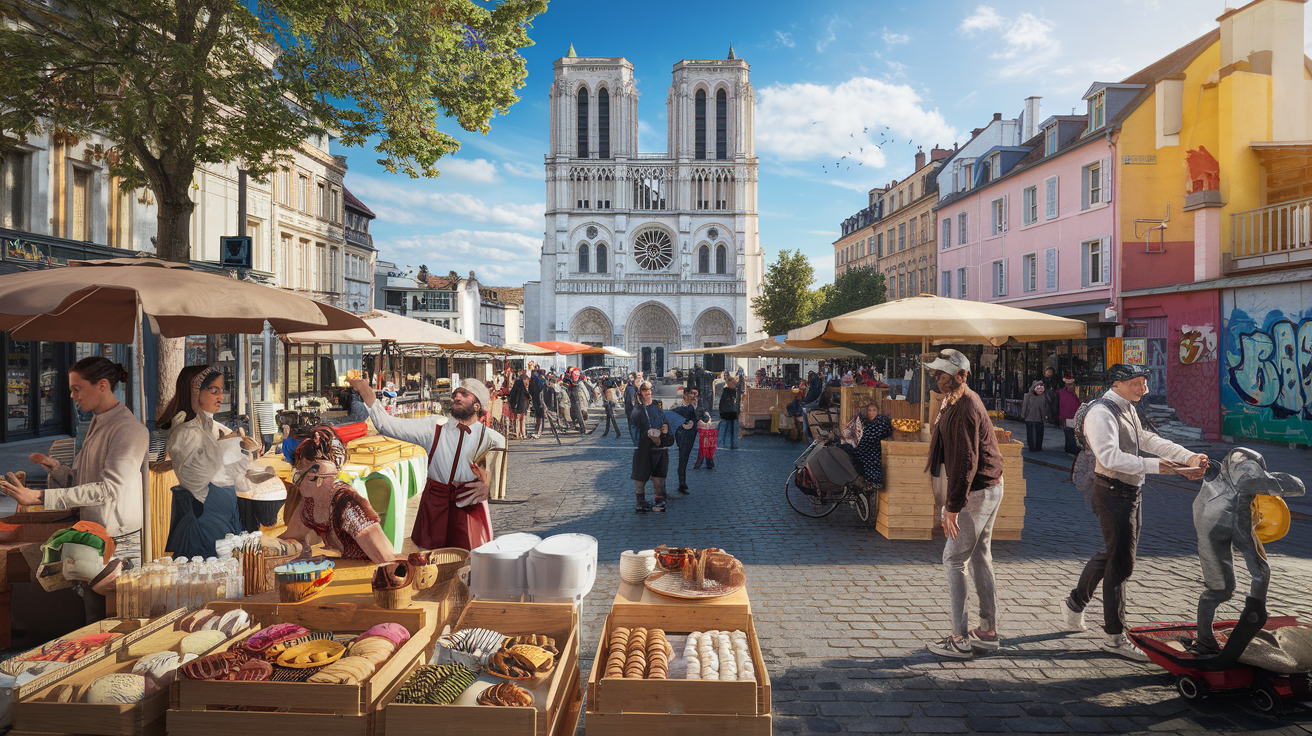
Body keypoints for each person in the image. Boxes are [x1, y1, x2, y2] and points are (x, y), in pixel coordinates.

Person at [1058, 363, 1207, 660]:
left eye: (1144, 382)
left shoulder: (1127, 407)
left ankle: (1074, 603)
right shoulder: (1102, 413)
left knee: (1114, 555)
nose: (1145, 389)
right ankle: (1114, 636)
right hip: (1111, 492)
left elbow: (1146, 440)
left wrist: (1187, 455)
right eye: (1138, 383)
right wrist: (1158, 466)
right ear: (1117, 383)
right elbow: (1110, 457)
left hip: (1128, 492)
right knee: (1122, 564)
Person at [0, 357, 148, 565]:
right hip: (91, 530)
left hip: (117, 539)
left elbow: (108, 490)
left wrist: (40, 496)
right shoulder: (98, 420)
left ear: (102, 386)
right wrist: (58, 469)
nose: (72, 396)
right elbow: (84, 480)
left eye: (77, 389)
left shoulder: (128, 429)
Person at [348, 376, 505, 550]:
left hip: (470, 509)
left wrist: (488, 488)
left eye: (464, 394)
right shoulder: (435, 426)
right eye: (456, 394)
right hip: (434, 506)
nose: (457, 397)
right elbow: (387, 424)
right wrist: (365, 391)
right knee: (430, 561)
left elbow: (497, 481)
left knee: (472, 561)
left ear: (477, 406)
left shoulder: (493, 439)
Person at [922, 349, 1005, 659]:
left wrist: (953, 506)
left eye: (941, 374)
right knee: (981, 556)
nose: (936, 378)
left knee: (954, 559)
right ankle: (987, 631)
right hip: (986, 487)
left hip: (977, 492)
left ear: (961, 375)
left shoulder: (966, 405)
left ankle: (960, 639)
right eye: (934, 373)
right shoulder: (954, 400)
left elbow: (966, 462)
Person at [158, 366, 246, 559]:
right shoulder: (185, 433)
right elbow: (196, 479)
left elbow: (238, 477)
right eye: (214, 391)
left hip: (227, 519)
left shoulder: (216, 428)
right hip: (203, 523)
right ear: (195, 392)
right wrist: (225, 448)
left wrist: (240, 448)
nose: (220, 398)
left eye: (221, 392)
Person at [279, 428, 396, 562]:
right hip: (343, 571)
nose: (297, 481)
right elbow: (293, 536)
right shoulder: (311, 501)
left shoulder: (347, 503)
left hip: (368, 575)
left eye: (299, 471)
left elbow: (386, 558)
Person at [629, 381, 671, 512]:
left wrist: (664, 429)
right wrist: (643, 437)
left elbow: (664, 421)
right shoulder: (637, 410)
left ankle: (660, 500)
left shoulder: (656, 406)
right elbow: (633, 429)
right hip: (644, 448)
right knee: (640, 476)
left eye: (649, 389)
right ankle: (640, 503)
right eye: (644, 390)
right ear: (640, 392)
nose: (648, 392)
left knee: (659, 476)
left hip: (659, 447)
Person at [840, 401, 893, 489]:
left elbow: (883, 434)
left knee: (871, 460)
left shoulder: (882, 422)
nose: (871, 413)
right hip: (864, 447)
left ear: (877, 411)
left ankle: (873, 483)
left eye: (874, 410)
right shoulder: (864, 422)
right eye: (869, 410)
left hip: (875, 448)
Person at [671, 388, 699, 494]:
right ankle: (681, 483)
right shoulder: (680, 406)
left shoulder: (695, 406)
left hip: (690, 434)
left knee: (684, 458)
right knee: (683, 458)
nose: (694, 396)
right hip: (683, 434)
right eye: (692, 394)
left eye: (696, 394)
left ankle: (682, 482)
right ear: (685, 395)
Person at [1020, 381, 1047, 452]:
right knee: (1031, 433)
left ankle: (1038, 447)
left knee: (1039, 433)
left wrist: (1046, 416)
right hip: (1030, 417)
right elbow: (1025, 406)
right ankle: (1032, 447)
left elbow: (1046, 406)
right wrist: (1023, 415)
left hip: (1040, 418)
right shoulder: (1028, 395)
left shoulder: (1044, 395)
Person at [1058, 375, 1081, 455]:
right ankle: (1070, 448)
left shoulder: (1071, 393)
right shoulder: (1064, 393)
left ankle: (1069, 447)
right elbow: (1063, 406)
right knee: (1069, 431)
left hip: (1072, 415)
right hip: (1068, 416)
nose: (1073, 386)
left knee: (1071, 431)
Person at [717, 376, 739, 450]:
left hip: (732, 412)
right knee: (725, 429)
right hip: (727, 411)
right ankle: (724, 444)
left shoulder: (734, 391)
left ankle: (732, 444)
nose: (733, 385)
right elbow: (722, 401)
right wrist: (721, 410)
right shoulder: (726, 391)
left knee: (733, 430)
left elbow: (736, 402)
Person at [508, 372, 531, 440]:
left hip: (518, 403)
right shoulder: (521, 385)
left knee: (518, 418)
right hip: (520, 404)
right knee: (520, 418)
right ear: (525, 379)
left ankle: (519, 433)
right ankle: (521, 433)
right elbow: (524, 396)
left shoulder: (517, 384)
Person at [624, 372, 640, 447]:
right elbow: (631, 399)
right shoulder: (630, 387)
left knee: (632, 425)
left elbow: (631, 399)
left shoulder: (630, 387)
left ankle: (635, 440)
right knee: (633, 424)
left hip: (631, 409)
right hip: (631, 408)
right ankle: (635, 440)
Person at [528, 369, 546, 439]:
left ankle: (538, 430)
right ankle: (538, 431)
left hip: (536, 400)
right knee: (539, 417)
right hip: (538, 400)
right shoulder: (538, 380)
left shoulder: (534, 381)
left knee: (539, 416)